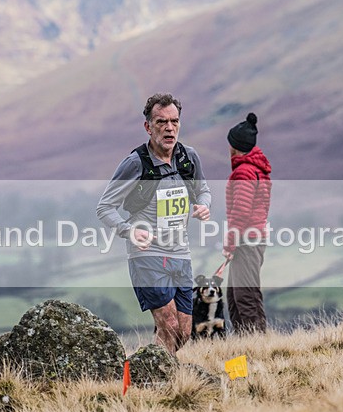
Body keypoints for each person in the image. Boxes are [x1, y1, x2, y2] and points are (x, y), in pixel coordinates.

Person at [97, 93, 211, 354]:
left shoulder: (188, 158)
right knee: (169, 324)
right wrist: (129, 230)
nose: (169, 128)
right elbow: (104, 207)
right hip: (147, 254)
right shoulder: (136, 163)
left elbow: (203, 190)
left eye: (174, 121)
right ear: (148, 127)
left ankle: (149, 368)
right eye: (161, 122)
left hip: (180, 253)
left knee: (183, 332)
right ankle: (161, 386)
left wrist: (204, 205)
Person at [222, 112, 272, 334]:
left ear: (235, 145)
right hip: (249, 238)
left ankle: (257, 346)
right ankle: (244, 343)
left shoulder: (244, 172)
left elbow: (240, 213)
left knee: (246, 296)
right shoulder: (253, 170)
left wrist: (229, 243)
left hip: (247, 240)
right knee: (235, 296)